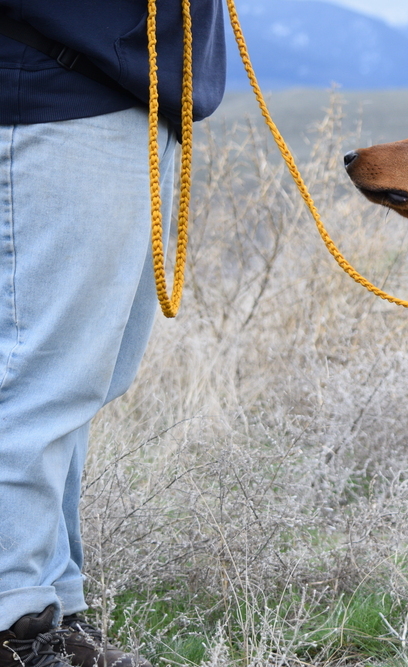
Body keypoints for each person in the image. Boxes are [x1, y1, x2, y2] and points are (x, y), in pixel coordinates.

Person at [0, 2, 226, 666]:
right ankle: (14, 620)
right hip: (59, 84)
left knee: (79, 379)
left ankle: (51, 606)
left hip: (116, 90)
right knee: (42, 378)